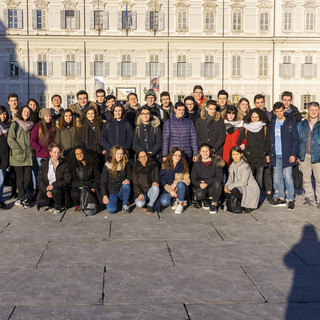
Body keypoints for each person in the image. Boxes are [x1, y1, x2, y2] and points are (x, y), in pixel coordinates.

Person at [269, 102, 299, 210]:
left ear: (284, 110)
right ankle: (281, 197)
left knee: (288, 177)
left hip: (287, 154)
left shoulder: (290, 122)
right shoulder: (273, 122)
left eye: (280, 111)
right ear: (274, 112)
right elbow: (270, 140)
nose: (279, 113)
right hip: (276, 154)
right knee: (278, 177)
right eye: (276, 112)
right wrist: (269, 154)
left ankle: (290, 199)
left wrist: (293, 154)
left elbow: (296, 140)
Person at [7, 106, 34, 208]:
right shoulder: (15, 124)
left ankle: (25, 197)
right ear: (21, 112)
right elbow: (10, 139)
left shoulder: (32, 125)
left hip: (28, 155)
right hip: (18, 156)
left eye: (28, 112)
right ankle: (21, 197)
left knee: (27, 178)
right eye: (24, 111)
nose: (26, 113)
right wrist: (18, 150)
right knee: (20, 178)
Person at [237, 108, 270, 190]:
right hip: (249, 156)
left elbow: (268, 142)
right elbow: (239, 142)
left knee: (259, 178)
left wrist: (265, 152)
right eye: (253, 117)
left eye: (256, 117)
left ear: (260, 117)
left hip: (260, 156)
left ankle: (257, 197)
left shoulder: (264, 127)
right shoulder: (246, 127)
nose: (254, 119)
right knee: (249, 177)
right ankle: (249, 195)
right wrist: (244, 149)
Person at [297, 102, 320, 208]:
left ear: (319, 111)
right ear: (308, 111)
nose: (313, 112)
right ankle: (309, 198)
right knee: (306, 178)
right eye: (311, 109)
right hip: (304, 155)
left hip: (318, 156)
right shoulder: (301, 124)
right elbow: (297, 140)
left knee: (319, 179)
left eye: (316, 110)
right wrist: (297, 154)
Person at [36, 143, 71, 214]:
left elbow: (67, 180)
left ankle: (58, 206)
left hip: (60, 189)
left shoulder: (64, 164)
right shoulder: (44, 164)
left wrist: (54, 185)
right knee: (42, 201)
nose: (57, 154)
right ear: (50, 153)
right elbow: (40, 180)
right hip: (48, 188)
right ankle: (51, 204)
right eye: (54, 152)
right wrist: (45, 190)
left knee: (55, 190)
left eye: (58, 152)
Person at [224, 146, 260, 213]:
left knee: (234, 191)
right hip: (238, 187)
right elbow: (230, 179)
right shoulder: (231, 166)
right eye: (233, 154)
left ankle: (245, 205)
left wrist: (229, 187)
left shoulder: (245, 165)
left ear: (241, 154)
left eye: (237, 154)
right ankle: (236, 205)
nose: (235, 157)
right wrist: (226, 187)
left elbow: (243, 183)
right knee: (227, 191)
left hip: (249, 188)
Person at [191, 144, 225, 213]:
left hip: (213, 187)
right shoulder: (197, 164)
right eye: (203, 151)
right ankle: (205, 200)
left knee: (218, 184)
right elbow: (193, 179)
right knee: (199, 195)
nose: (205, 153)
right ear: (199, 152)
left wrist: (207, 182)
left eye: (207, 151)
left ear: (210, 151)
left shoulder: (216, 162)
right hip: (202, 187)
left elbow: (220, 177)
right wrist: (199, 184)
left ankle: (213, 204)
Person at [100, 145, 131, 213]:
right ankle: (116, 202)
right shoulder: (107, 165)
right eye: (118, 153)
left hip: (122, 191)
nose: (120, 156)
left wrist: (128, 180)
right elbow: (103, 182)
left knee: (126, 185)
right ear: (114, 154)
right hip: (112, 192)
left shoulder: (126, 164)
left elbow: (129, 176)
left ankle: (124, 205)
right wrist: (104, 195)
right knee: (111, 210)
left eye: (121, 154)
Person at [159, 148, 190, 214]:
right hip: (169, 189)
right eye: (175, 155)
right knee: (164, 202)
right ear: (171, 155)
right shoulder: (165, 165)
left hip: (181, 189)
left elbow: (187, 181)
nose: (177, 157)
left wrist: (176, 183)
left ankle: (180, 204)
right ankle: (174, 200)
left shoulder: (184, 166)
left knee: (180, 184)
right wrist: (170, 191)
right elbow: (163, 181)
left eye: (179, 155)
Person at [0, 106, 10, 209]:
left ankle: (1, 199)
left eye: (4, 114)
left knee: (1, 179)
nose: (3, 116)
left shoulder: (7, 126)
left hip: (4, 156)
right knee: (0, 179)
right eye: (1, 114)